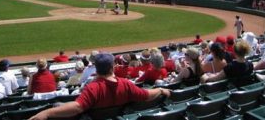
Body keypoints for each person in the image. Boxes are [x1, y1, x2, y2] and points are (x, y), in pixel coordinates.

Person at [28, 53, 171, 120]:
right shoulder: (126, 84)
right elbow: (147, 95)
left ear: (96, 69)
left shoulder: (93, 87)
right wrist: (160, 89)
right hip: (118, 117)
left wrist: (46, 113)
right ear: (112, 68)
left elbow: (78, 107)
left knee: (56, 105)